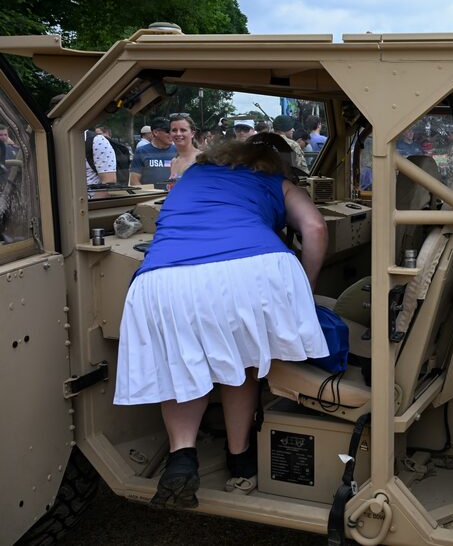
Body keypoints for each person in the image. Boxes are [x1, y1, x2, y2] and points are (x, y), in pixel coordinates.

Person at [113, 133, 330, 508]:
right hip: (250, 268)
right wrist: (304, 291)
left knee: (180, 366)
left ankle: (182, 457)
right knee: (243, 365)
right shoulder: (275, 181)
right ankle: (239, 457)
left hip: (164, 277)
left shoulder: (192, 176)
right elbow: (315, 229)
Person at [129, 117, 176, 186]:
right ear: (155, 132)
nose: (172, 134)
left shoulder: (178, 151)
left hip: (173, 195)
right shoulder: (141, 151)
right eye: (168, 131)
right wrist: (148, 195)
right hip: (152, 196)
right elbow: (134, 181)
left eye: (173, 131)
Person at [167, 114, 201, 180]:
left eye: (183, 130)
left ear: (192, 134)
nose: (178, 134)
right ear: (170, 134)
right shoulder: (173, 162)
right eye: (174, 130)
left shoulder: (201, 159)